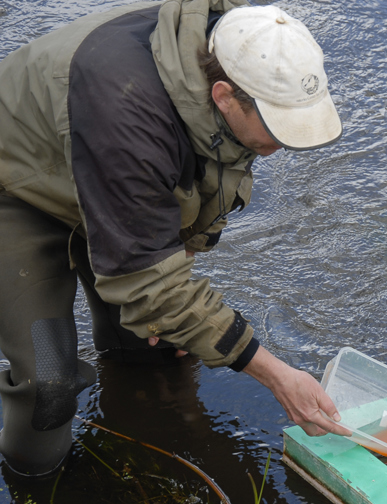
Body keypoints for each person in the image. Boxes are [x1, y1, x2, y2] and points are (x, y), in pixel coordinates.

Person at [0, 1, 351, 477]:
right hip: (20, 190)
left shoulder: (242, 46)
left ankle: (146, 439)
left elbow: (213, 178)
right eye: (276, 129)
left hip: (110, 175)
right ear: (224, 96)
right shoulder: (127, 111)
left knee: (159, 341)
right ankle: (36, 481)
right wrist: (277, 375)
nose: (282, 145)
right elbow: (148, 284)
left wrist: (180, 310)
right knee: (50, 385)